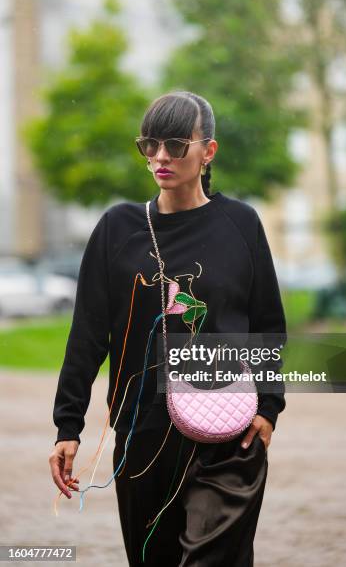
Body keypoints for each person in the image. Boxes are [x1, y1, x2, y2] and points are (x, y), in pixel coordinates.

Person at [49, 91, 287, 566]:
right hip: (143, 438)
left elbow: (267, 323)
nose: (160, 157)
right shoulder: (118, 229)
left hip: (228, 437)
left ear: (208, 151)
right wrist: (67, 425)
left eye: (176, 145)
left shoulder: (241, 224)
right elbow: (89, 335)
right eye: (150, 145)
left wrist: (269, 408)